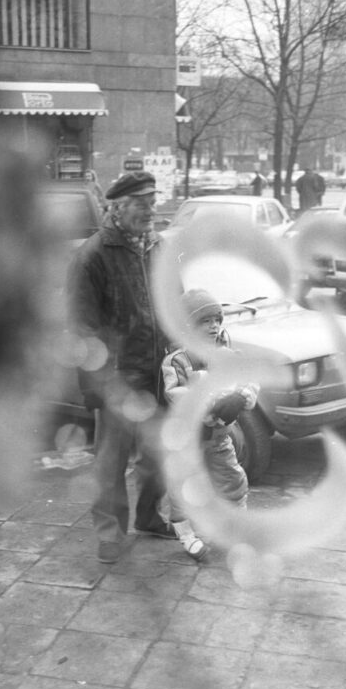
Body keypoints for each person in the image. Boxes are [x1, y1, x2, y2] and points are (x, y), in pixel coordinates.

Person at [66, 170, 174, 564]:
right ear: (118, 206)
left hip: (159, 373)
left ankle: (149, 516)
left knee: (159, 453)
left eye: (153, 201)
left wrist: (179, 355)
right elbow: (81, 328)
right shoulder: (93, 256)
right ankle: (110, 531)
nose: (151, 210)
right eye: (142, 203)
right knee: (111, 460)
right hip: (117, 379)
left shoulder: (158, 246)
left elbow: (173, 302)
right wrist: (98, 385)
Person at [160, 289, 259, 561]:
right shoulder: (177, 360)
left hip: (218, 435)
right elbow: (173, 393)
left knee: (231, 478)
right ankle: (187, 535)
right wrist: (208, 399)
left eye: (217, 319)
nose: (214, 326)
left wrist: (245, 394)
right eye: (205, 321)